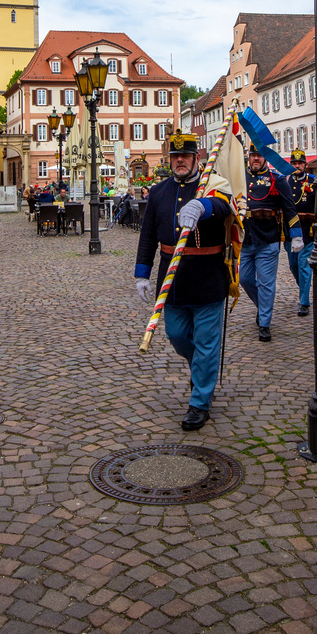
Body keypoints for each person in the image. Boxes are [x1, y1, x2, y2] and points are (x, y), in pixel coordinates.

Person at [134, 132, 235, 431]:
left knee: (206, 343)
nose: (180, 161)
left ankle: (200, 401)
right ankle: (202, 370)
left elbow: (224, 207)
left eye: (186, 156)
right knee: (178, 336)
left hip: (208, 276)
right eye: (175, 156)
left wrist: (203, 207)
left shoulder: (213, 185)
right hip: (173, 278)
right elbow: (148, 235)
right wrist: (142, 272)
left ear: (196, 159)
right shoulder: (159, 191)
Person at [237, 145, 302, 341]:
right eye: (253, 155)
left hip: (268, 239)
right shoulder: (240, 177)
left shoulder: (277, 180)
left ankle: (264, 323)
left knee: (266, 284)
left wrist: (296, 234)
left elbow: (289, 209)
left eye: (259, 155)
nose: (255, 159)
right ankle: (263, 306)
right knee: (245, 279)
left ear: (265, 158)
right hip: (245, 239)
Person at [284, 150, 316, 317]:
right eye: (294, 163)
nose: (297, 166)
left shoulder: (313, 182)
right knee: (293, 265)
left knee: (304, 266)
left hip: (307, 231)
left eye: (300, 163)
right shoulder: (286, 181)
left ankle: (304, 302)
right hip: (290, 230)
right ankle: (304, 288)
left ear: (305, 165)